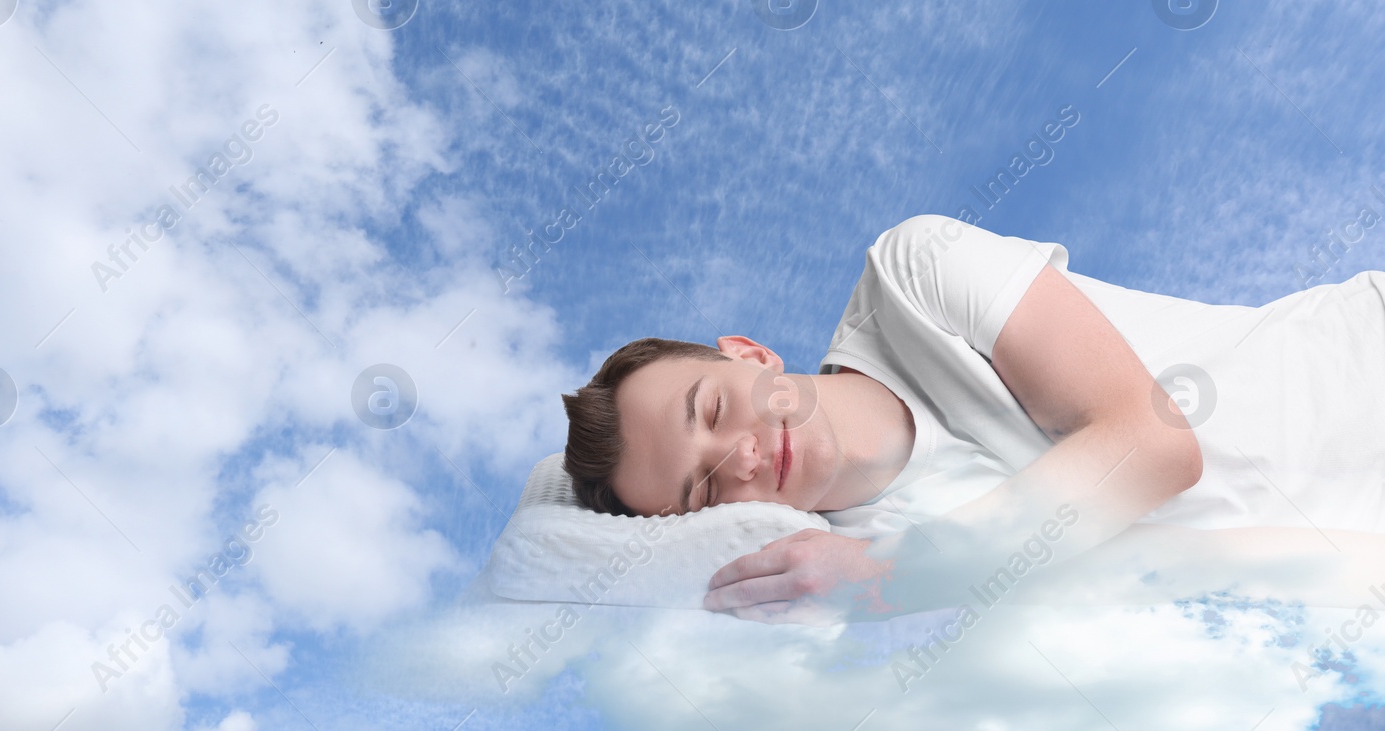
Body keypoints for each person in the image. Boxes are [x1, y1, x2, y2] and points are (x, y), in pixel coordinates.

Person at [561, 215, 1385, 621]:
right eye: (705, 489)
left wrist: (893, 573)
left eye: (710, 409)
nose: (737, 458)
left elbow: (1153, 445)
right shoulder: (862, 552)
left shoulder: (909, 277)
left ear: (748, 353)